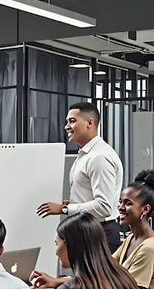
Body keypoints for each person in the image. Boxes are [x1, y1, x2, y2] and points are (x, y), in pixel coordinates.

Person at [31, 170, 154, 289]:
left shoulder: (149, 248)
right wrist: (58, 282)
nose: (120, 207)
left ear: (145, 209)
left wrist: (72, 288)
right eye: (120, 202)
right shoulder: (131, 239)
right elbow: (102, 272)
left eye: (128, 203)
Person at [37, 102, 124, 252]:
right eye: (67, 122)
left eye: (72, 121)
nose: (67, 127)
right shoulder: (87, 154)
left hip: (99, 233)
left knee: (92, 277)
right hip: (89, 230)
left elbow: (104, 206)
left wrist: (65, 209)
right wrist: (76, 202)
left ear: (90, 123)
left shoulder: (99, 157)